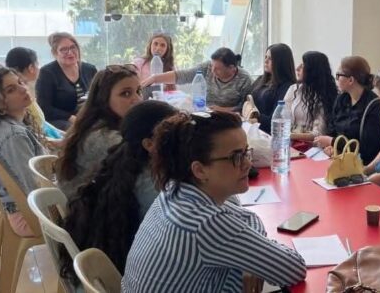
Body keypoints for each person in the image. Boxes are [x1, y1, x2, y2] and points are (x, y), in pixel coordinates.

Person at [121, 112, 307, 292]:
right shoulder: (205, 224)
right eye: (236, 157)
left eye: (246, 152)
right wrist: (256, 258)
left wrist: (253, 260)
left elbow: (244, 214)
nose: (248, 164)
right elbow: (293, 269)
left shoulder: (174, 189)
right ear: (200, 170)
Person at [62, 100, 178, 275]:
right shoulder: (154, 189)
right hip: (134, 272)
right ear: (149, 144)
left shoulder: (120, 164)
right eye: (177, 134)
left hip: (116, 264)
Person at [0, 66, 46, 237]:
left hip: (23, 210)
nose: (23, 89)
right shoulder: (13, 136)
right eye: (11, 90)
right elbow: (33, 188)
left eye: (20, 82)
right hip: (31, 215)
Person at [57, 65, 142, 200]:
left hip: (91, 201)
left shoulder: (93, 122)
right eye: (126, 93)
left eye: (138, 91)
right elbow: (144, 169)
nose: (137, 99)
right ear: (104, 99)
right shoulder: (105, 138)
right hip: (86, 207)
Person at [315, 56, 380, 165]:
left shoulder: (374, 106)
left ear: (351, 80)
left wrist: (332, 142)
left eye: (338, 75)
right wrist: (332, 147)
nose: (336, 79)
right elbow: (332, 129)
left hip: (361, 164)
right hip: (338, 159)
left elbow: (369, 148)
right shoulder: (341, 99)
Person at [142, 47, 252, 112]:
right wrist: (155, 78)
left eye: (218, 69)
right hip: (203, 111)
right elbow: (184, 75)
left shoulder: (244, 80)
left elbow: (246, 107)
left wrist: (224, 109)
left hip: (227, 117)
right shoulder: (207, 67)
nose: (213, 71)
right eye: (212, 66)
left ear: (232, 68)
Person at [36, 32, 97, 130]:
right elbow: (44, 107)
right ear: (55, 53)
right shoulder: (47, 73)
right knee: (77, 129)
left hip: (87, 116)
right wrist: (71, 118)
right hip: (60, 120)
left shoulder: (90, 69)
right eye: (63, 49)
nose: (70, 52)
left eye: (73, 47)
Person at [5, 46, 63, 149]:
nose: (22, 89)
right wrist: (63, 141)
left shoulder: (27, 92)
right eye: (37, 64)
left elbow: (42, 124)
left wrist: (65, 135)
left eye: (21, 83)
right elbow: (33, 136)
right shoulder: (22, 100)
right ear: (31, 68)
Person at [284, 51, 337, 143]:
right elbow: (283, 117)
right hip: (290, 142)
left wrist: (290, 135)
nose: (297, 68)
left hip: (312, 146)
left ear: (313, 71)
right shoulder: (293, 89)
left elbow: (319, 134)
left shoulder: (325, 95)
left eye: (302, 66)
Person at [250, 44, 296, 134]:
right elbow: (247, 99)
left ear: (281, 62)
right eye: (265, 57)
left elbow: (275, 119)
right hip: (253, 128)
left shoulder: (287, 86)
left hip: (268, 133)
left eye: (270, 58)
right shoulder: (260, 79)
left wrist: (256, 118)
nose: (266, 61)